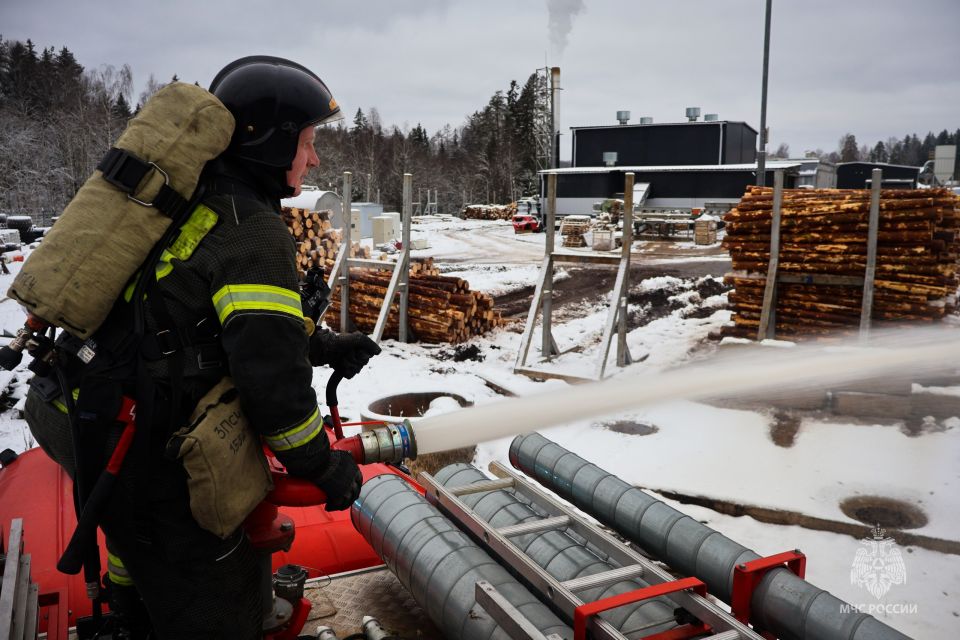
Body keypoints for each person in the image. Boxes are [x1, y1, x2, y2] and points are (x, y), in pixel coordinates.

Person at [24, 55, 381, 639]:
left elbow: (191, 316)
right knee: (218, 593)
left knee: (134, 542)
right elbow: (273, 386)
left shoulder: (185, 197)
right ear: (269, 143)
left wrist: (321, 342)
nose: (314, 158)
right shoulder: (254, 230)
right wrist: (320, 464)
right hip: (131, 436)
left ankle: (131, 609)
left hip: (76, 406)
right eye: (308, 142)